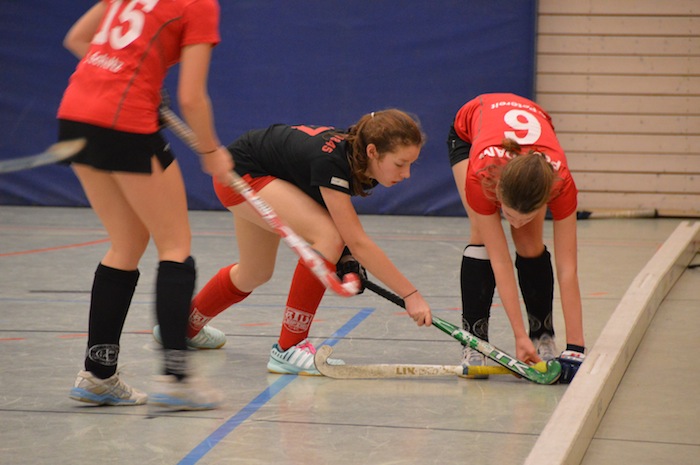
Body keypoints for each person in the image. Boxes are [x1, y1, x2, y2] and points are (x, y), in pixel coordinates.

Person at [153, 110, 433, 375]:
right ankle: (289, 347)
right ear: (373, 151)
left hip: (258, 170)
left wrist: (346, 258)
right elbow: (357, 241)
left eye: (411, 164)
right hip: (241, 175)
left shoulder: (358, 158)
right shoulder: (334, 163)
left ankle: (180, 328)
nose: (406, 174)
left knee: (255, 272)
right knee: (329, 238)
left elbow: (331, 214)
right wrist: (410, 294)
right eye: (400, 164)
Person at [58, 0, 233, 409]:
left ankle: (99, 373)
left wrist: (128, 78)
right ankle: (177, 379)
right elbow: (192, 96)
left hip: (77, 112)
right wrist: (211, 151)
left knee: (127, 242)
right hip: (123, 119)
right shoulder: (199, 5)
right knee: (175, 245)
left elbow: (77, 39)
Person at [446, 93, 585, 384]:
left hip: (530, 143)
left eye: (526, 215)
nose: (515, 222)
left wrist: (576, 347)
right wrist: (518, 335)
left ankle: (542, 334)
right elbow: (501, 261)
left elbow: (568, 268)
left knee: (529, 243)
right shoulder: (481, 175)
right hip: (470, 135)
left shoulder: (561, 183)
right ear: (498, 193)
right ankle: (475, 340)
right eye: (509, 214)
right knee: (481, 237)